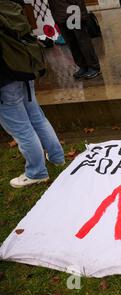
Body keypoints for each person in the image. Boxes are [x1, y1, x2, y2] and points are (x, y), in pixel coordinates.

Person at [0, 1, 65, 189]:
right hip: (22, 68)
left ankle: (36, 172)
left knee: (22, 129)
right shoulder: (8, 4)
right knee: (37, 118)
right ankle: (57, 157)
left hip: (5, 78)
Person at [47, 0, 101, 79]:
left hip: (73, 11)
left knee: (82, 41)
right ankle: (83, 66)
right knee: (72, 42)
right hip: (60, 14)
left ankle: (94, 67)